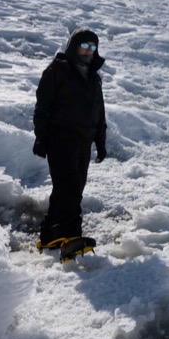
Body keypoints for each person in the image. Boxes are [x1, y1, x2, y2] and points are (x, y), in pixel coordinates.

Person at [32, 28, 108, 251]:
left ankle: (48, 235)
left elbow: (99, 113)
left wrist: (100, 141)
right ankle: (72, 236)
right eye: (84, 46)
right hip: (60, 138)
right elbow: (42, 108)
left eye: (93, 47)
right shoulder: (57, 71)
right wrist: (40, 138)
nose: (89, 51)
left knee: (72, 188)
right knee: (69, 186)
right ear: (73, 47)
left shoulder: (93, 78)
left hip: (83, 141)